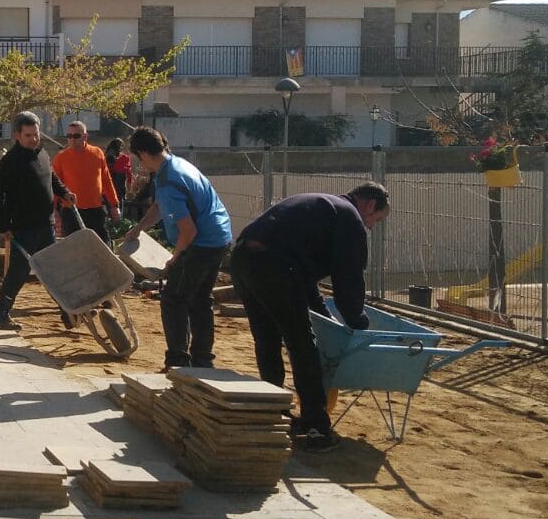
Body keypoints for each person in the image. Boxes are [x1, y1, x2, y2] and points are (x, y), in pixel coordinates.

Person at [228, 182, 391, 452]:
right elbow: (348, 279)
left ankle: (273, 410)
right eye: (376, 219)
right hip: (274, 265)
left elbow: (305, 283)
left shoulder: (324, 208)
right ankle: (316, 426)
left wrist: (328, 319)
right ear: (370, 205)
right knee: (302, 343)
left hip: (244, 260)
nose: (371, 227)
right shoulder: (349, 218)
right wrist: (357, 324)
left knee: (267, 338)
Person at [129, 127, 234, 370]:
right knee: (199, 298)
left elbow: (188, 231)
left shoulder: (167, 182)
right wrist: (139, 228)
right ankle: (202, 360)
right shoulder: (176, 165)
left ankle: (178, 361)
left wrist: (174, 259)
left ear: (143, 153)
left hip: (201, 243)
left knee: (174, 298)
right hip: (220, 237)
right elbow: (159, 206)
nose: (140, 164)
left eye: (138, 158)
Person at [0, 111, 72, 331]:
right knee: (19, 271)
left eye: (36, 134)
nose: (34, 138)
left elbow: (51, 177)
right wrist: (3, 225)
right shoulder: (10, 162)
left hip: (46, 224)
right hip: (23, 228)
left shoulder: (41, 154)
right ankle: (0, 314)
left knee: (53, 269)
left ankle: (68, 310)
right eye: (28, 135)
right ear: (17, 135)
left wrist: (64, 193)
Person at [51, 121, 120, 241]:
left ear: (85, 136)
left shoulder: (97, 153)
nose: (72, 139)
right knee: (75, 251)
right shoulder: (61, 158)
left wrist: (114, 205)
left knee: (103, 247)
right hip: (71, 211)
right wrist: (53, 210)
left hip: (96, 210)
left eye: (76, 136)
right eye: (69, 136)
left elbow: (106, 180)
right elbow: (55, 185)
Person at [105, 138, 132, 205]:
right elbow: (128, 173)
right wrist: (129, 184)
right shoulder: (125, 158)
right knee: (119, 206)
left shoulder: (105, 156)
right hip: (120, 186)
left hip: (108, 186)